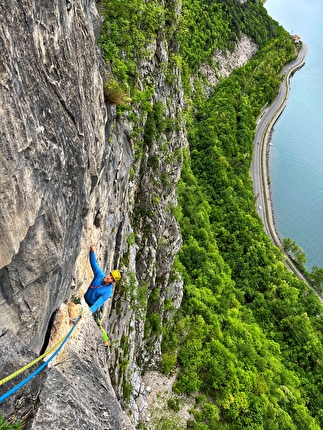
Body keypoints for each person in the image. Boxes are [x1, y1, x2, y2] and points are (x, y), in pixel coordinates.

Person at [84, 242, 121, 319]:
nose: (109, 277)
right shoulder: (100, 275)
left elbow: (97, 304)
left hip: (89, 305)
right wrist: (92, 251)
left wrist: (88, 313)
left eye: (111, 278)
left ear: (112, 281)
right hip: (84, 298)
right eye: (110, 274)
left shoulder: (108, 292)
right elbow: (94, 264)